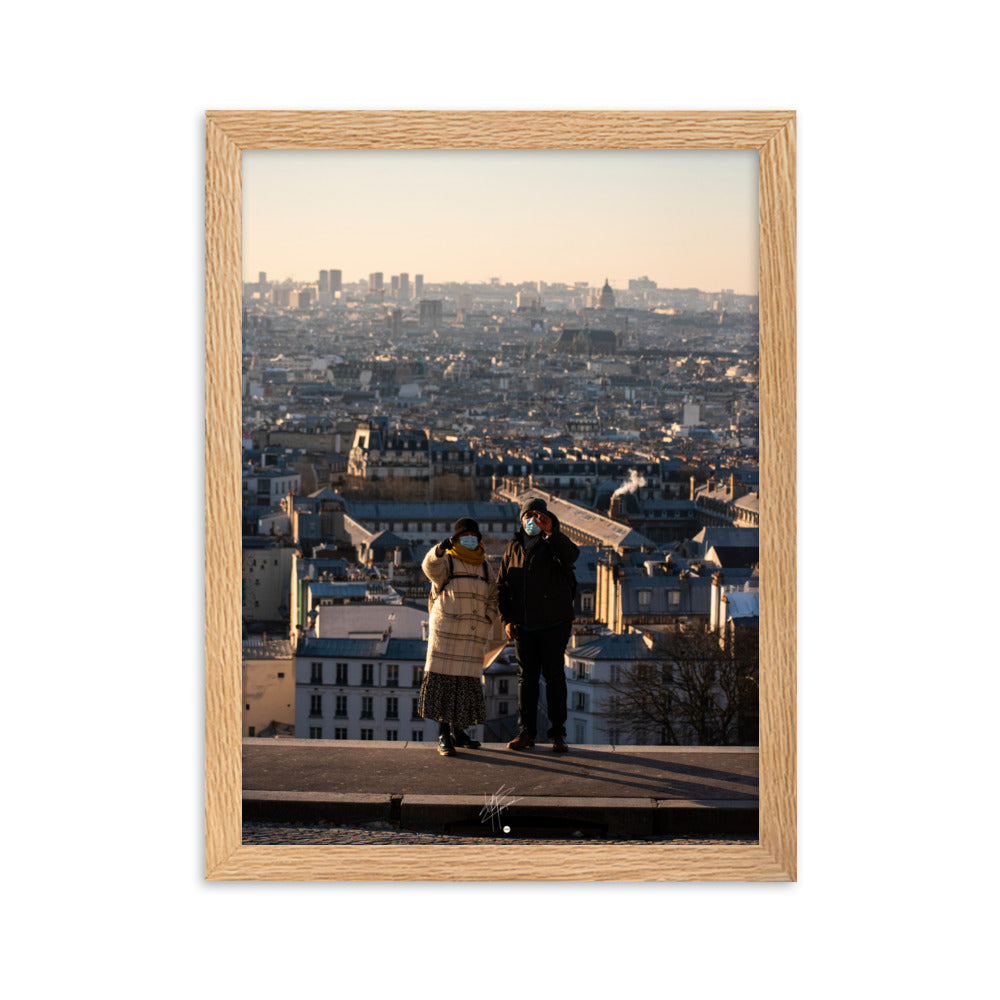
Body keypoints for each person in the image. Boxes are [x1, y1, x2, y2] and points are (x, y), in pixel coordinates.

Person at [497, 497, 579, 753]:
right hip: (524, 626)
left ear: (547, 519)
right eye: (528, 516)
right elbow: (502, 586)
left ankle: (558, 733)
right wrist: (507, 620)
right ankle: (526, 732)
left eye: (538, 516)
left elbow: (572, 554)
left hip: (554, 624)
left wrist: (552, 532)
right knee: (527, 681)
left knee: (554, 679)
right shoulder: (513, 547)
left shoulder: (553, 544)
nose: (532, 521)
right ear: (520, 520)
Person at [419, 516, 498, 756]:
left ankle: (459, 732)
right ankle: (444, 735)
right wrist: (440, 549)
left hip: (472, 636)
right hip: (448, 634)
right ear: (456, 539)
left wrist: (488, 617)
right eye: (464, 538)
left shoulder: (485, 566)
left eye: (473, 537)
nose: (470, 541)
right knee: (445, 684)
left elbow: (493, 596)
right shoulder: (448, 563)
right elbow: (429, 567)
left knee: (464, 686)